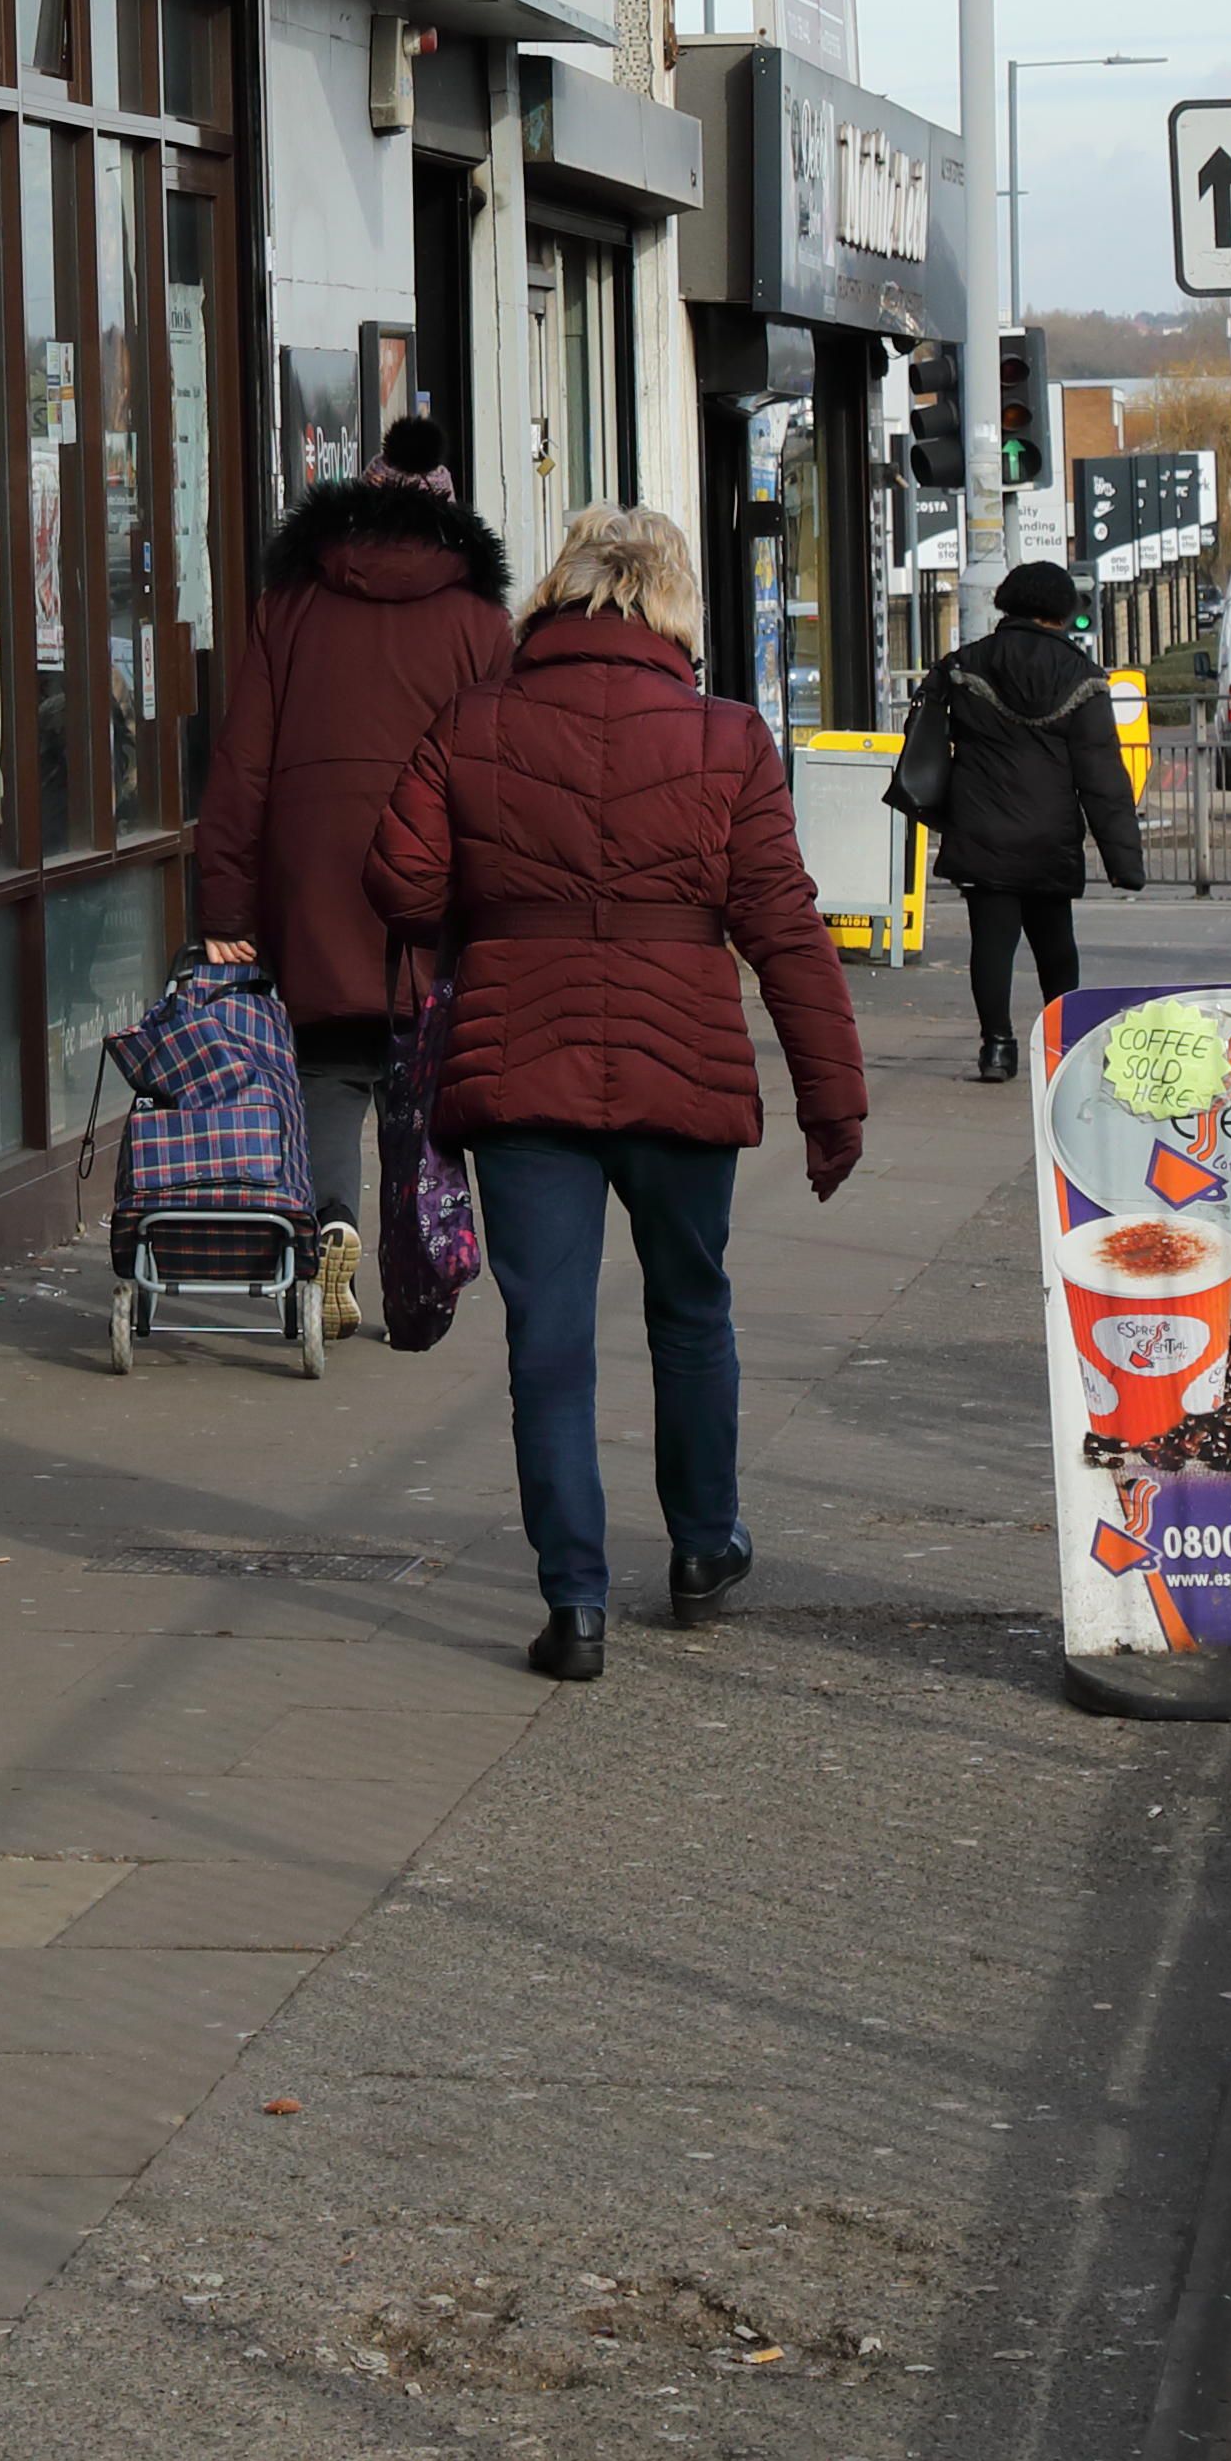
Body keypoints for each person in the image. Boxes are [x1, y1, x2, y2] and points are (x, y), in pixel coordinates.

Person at [367, 505, 874, 1682]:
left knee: (548, 1336)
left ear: (556, 594)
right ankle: (702, 1547)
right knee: (692, 1306)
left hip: (519, 1059)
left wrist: (483, 904)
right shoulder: (727, 737)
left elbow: (399, 877)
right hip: (681, 1060)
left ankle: (576, 1604)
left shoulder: (476, 721)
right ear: (674, 606)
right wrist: (832, 1099)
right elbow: (785, 928)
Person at [189, 415, 513, 1325]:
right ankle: (417, 1259)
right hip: (429, 872)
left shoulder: (292, 605)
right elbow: (500, 767)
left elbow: (242, 762)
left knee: (326, 1068)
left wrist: (224, 900)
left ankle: (330, 1222)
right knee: (419, 1074)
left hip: (313, 875)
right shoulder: (480, 622)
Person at [903, 561, 1151, 1085]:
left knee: (991, 945)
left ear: (1007, 604)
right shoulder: (1081, 677)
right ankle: (1067, 1048)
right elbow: (1102, 774)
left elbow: (927, 737)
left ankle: (997, 1047)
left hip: (982, 828)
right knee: (1055, 944)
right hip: (1049, 833)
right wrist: (1124, 861)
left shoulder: (964, 666)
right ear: (1064, 611)